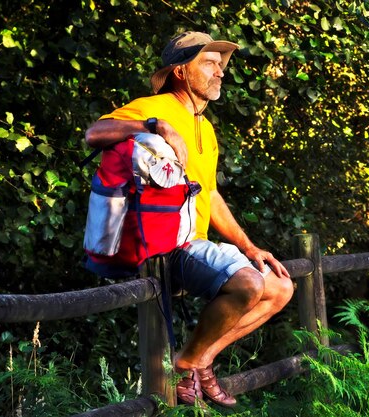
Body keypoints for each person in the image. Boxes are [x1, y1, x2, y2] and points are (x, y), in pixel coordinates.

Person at [84, 31, 294, 408]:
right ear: (181, 71)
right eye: (210, 63)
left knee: (280, 287)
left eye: (221, 64)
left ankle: (200, 359)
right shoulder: (156, 107)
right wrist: (154, 126)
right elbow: (94, 133)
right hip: (164, 246)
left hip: (193, 240)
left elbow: (209, 195)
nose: (220, 72)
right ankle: (185, 365)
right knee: (248, 284)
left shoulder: (205, 127)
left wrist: (249, 246)